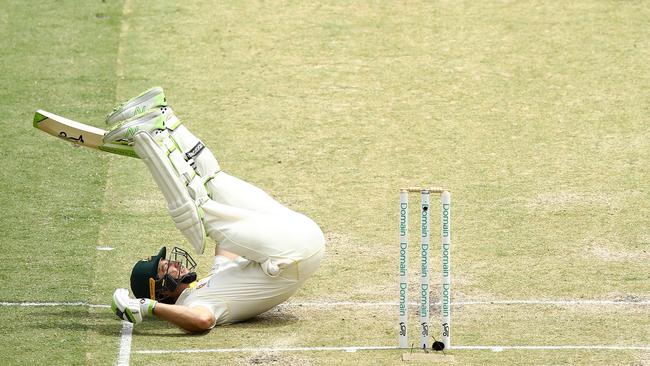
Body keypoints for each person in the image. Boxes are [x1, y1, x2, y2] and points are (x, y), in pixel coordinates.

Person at [105, 87, 325, 333]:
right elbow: (202, 321)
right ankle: (146, 141)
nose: (175, 265)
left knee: (212, 181)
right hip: (294, 255)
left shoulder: (210, 280)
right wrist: (149, 307)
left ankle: (164, 120)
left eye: (168, 262)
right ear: (160, 290)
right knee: (199, 212)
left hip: (300, 233)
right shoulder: (194, 302)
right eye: (165, 268)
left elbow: (227, 246)